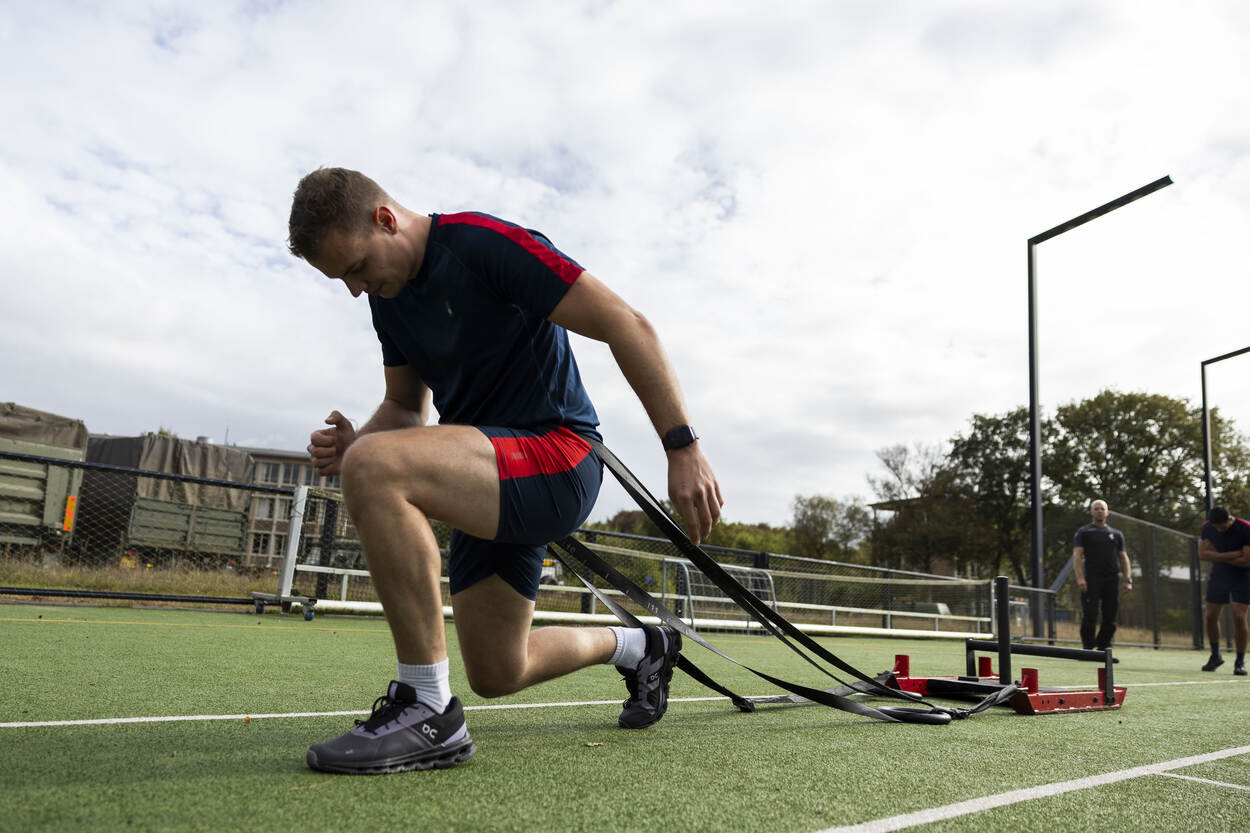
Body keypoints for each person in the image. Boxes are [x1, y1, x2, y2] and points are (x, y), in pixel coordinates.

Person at [286, 167, 723, 774]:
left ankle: (426, 709)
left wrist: (683, 447)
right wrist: (360, 443)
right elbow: (406, 409)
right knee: (497, 670)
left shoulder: (483, 244)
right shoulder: (389, 301)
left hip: (558, 455)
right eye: (343, 281)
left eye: (357, 267)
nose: (357, 290)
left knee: (375, 468)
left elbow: (625, 322)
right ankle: (641, 645)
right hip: (487, 471)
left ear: (385, 219)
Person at [1072, 500, 1132, 653]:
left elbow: (1123, 557)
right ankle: (1088, 648)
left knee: (1110, 615)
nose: (1099, 511)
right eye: (1096, 509)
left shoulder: (1117, 534)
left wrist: (1127, 579)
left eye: (1102, 509)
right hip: (1091, 579)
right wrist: (1080, 577)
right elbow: (1077, 556)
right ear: (1091, 512)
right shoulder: (1083, 532)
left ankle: (1103, 648)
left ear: (1107, 512)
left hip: (1111, 579)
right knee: (1090, 613)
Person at [1197, 506, 1250, 675]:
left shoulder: (1245, 528)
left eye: (1222, 526)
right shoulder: (1207, 527)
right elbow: (1202, 554)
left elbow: (1247, 560)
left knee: (1239, 616)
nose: (1219, 530)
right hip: (1219, 574)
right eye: (1216, 527)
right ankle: (1215, 656)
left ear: (1230, 519)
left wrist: (1217, 555)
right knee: (1210, 615)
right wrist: (1232, 555)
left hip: (1243, 575)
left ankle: (1240, 661)